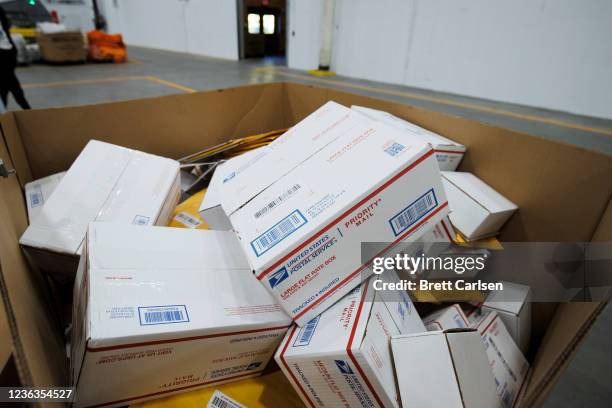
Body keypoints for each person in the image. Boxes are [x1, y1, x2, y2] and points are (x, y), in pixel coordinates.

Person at [0, 5, 31, 110]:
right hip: (9, 50)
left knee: (9, 85)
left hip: (5, 52)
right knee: (8, 85)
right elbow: (6, 26)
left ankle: (28, 112)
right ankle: (27, 111)